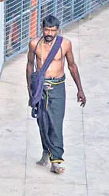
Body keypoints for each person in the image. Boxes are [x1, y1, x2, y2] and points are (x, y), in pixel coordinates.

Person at [26, 15, 86, 174]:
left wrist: (80, 89)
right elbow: (30, 65)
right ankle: (46, 150)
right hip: (41, 87)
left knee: (56, 123)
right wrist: (30, 90)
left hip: (58, 86)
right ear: (42, 28)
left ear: (57, 30)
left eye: (53, 30)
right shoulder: (34, 44)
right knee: (42, 121)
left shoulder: (65, 44)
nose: (49, 33)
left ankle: (56, 160)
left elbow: (72, 66)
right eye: (47, 29)